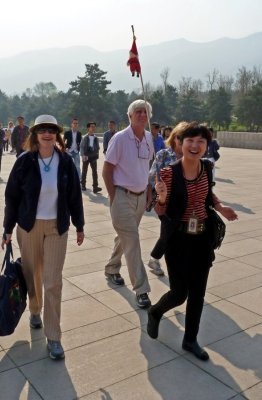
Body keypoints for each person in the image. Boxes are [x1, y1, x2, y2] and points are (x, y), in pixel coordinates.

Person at [147, 122, 238, 361]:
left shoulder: (207, 168)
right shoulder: (168, 173)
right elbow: (160, 209)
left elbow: (208, 194)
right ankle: (155, 312)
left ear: (207, 146)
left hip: (202, 238)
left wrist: (220, 207)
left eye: (201, 141)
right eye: (190, 140)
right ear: (180, 142)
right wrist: (163, 197)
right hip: (178, 239)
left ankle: (190, 340)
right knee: (179, 294)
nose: (195, 145)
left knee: (198, 293)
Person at [2, 114, 84, 360]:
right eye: (42, 130)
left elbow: (74, 196)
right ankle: (35, 309)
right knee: (32, 274)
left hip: (57, 228)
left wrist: (79, 225)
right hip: (29, 227)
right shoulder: (24, 161)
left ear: (56, 135)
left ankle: (54, 336)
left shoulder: (66, 161)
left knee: (52, 280)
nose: (47, 134)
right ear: (35, 134)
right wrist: (7, 229)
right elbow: (12, 197)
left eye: (51, 130)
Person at [102, 99, 154, 308]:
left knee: (124, 237)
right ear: (130, 115)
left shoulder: (149, 137)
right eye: (138, 111)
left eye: (145, 112)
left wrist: (148, 190)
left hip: (141, 197)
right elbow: (107, 169)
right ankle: (141, 289)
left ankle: (112, 267)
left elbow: (147, 167)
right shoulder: (120, 138)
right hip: (122, 196)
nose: (142, 115)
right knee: (132, 241)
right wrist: (114, 196)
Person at [147, 122, 185, 276]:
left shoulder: (190, 156)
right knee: (168, 230)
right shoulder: (163, 154)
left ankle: (156, 259)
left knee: (174, 231)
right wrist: (153, 191)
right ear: (174, 138)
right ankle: (155, 259)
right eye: (181, 138)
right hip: (164, 201)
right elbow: (151, 176)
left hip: (184, 201)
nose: (184, 142)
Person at [80, 122, 102, 193]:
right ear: (88, 128)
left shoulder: (96, 138)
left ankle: (95, 187)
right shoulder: (85, 137)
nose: (93, 128)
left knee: (94, 172)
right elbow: (82, 147)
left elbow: (98, 147)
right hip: (86, 155)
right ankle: (83, 185)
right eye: (91, 127)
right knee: (84, 171)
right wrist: (83, 155)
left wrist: (96, 153)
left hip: (93, 156)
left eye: (94, 127)